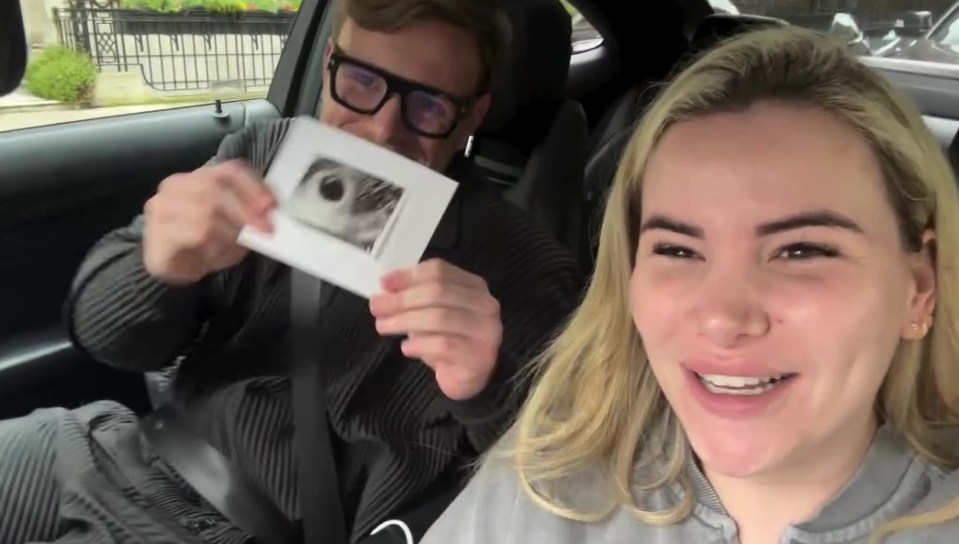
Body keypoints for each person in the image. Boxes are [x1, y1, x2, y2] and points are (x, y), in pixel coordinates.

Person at [0, 0, 583, 542]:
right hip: (105, 446)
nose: (382, 130)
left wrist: (489, 386)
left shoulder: (525, 264)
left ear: (471, 114)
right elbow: (104, 338)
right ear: (329, 65)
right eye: (361, 81)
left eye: (428, 106)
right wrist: (157, 267)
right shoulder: (265, 154)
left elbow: (562, 481)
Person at [420, 25, 959, 544]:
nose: (722, 317)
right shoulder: (543, 493)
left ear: (919, 287)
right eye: (678, 250)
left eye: (801, 250)